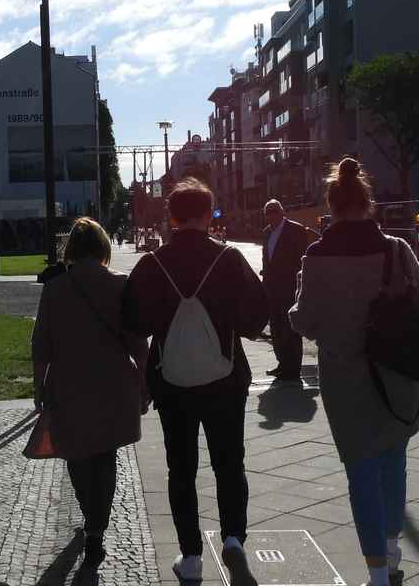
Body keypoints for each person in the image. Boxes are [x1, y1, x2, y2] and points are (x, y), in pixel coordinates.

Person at [288, 158, 419, 586]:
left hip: (344, 380)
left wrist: (305, 305)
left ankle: (377, 573)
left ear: (331, 206)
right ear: (368, 202)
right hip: (397, 375)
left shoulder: (316, 256)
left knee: (361, 471)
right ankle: (391, 550)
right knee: (394, 460)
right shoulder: (397, 250)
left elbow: (304, 321)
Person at [122, 178, 267, 586]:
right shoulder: (229, 259)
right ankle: (233, 538)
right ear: (208, 214)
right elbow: (256, 318)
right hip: (226, 379)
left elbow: (133, 320)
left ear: (171, 216)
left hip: (172, 381)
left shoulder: (153, 264)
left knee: (181, 467)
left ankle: (190, 558)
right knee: (229, 461)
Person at [31, 218, 148, 569]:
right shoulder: (120, 285)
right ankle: (97, 528)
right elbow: (138, 343)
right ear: (102, 247)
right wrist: (144, 384)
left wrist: (39, 387)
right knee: (105, 457)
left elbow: (41, 345)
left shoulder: (54, 290)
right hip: (113, 385)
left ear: (71, 249)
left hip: (68, 384)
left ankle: (90, 517)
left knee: (76, 455)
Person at [261, 199, 317, 382]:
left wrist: (301, 284)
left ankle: (293, 368)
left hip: (290, 287)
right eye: (268, 212)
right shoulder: (267, 233)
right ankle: (282, 364)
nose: (271, 215)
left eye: (274, 211)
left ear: (282, 212)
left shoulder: (295, 229)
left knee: (290, 329)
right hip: (272, 288)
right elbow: (266, 260)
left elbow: (303, 259)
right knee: (276, 328)